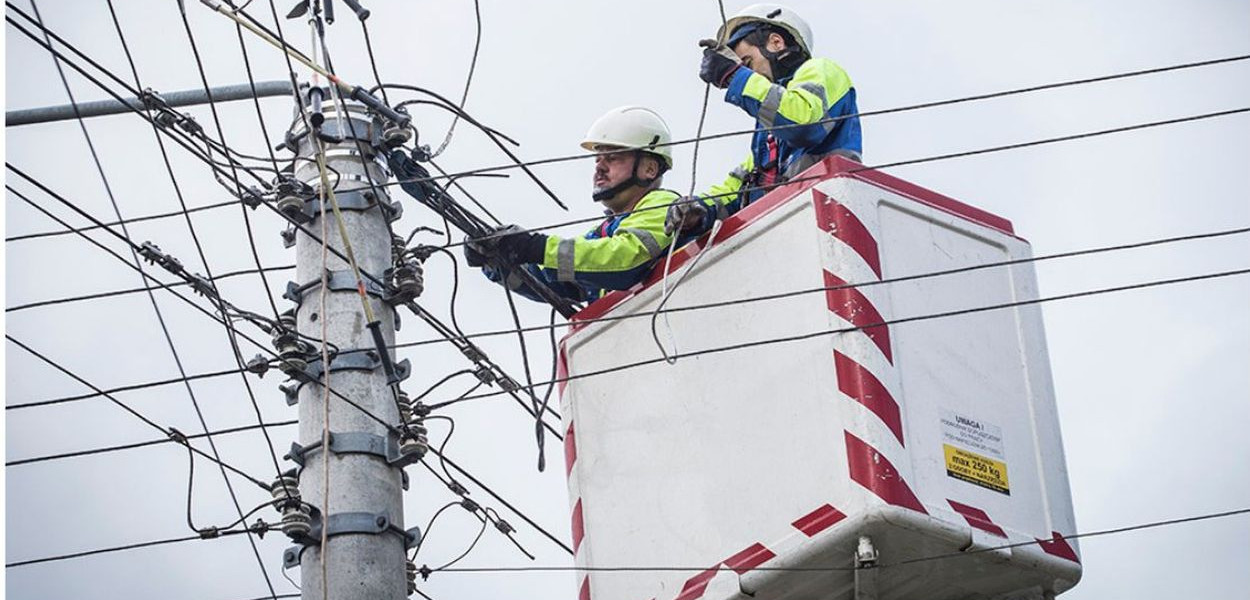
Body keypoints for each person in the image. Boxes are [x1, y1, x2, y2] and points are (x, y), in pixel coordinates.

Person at [666, 3, 863, 237]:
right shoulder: (768, 136)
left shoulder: (821, 70)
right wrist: (701, 208)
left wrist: (735, 76)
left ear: (776, 43)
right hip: (785, 229)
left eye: (747, 64)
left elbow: (803, 124)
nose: (748, 74)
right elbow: (739, 186)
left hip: (825, 216)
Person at [466, 106, 680, 305]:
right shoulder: (602, 234)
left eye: (612, 158)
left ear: (650, 169)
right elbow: (559, 279)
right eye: (597, 159)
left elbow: (625, 259)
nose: (600, 167)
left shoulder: (663, 205)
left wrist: (536, 247)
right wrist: (497, 261)